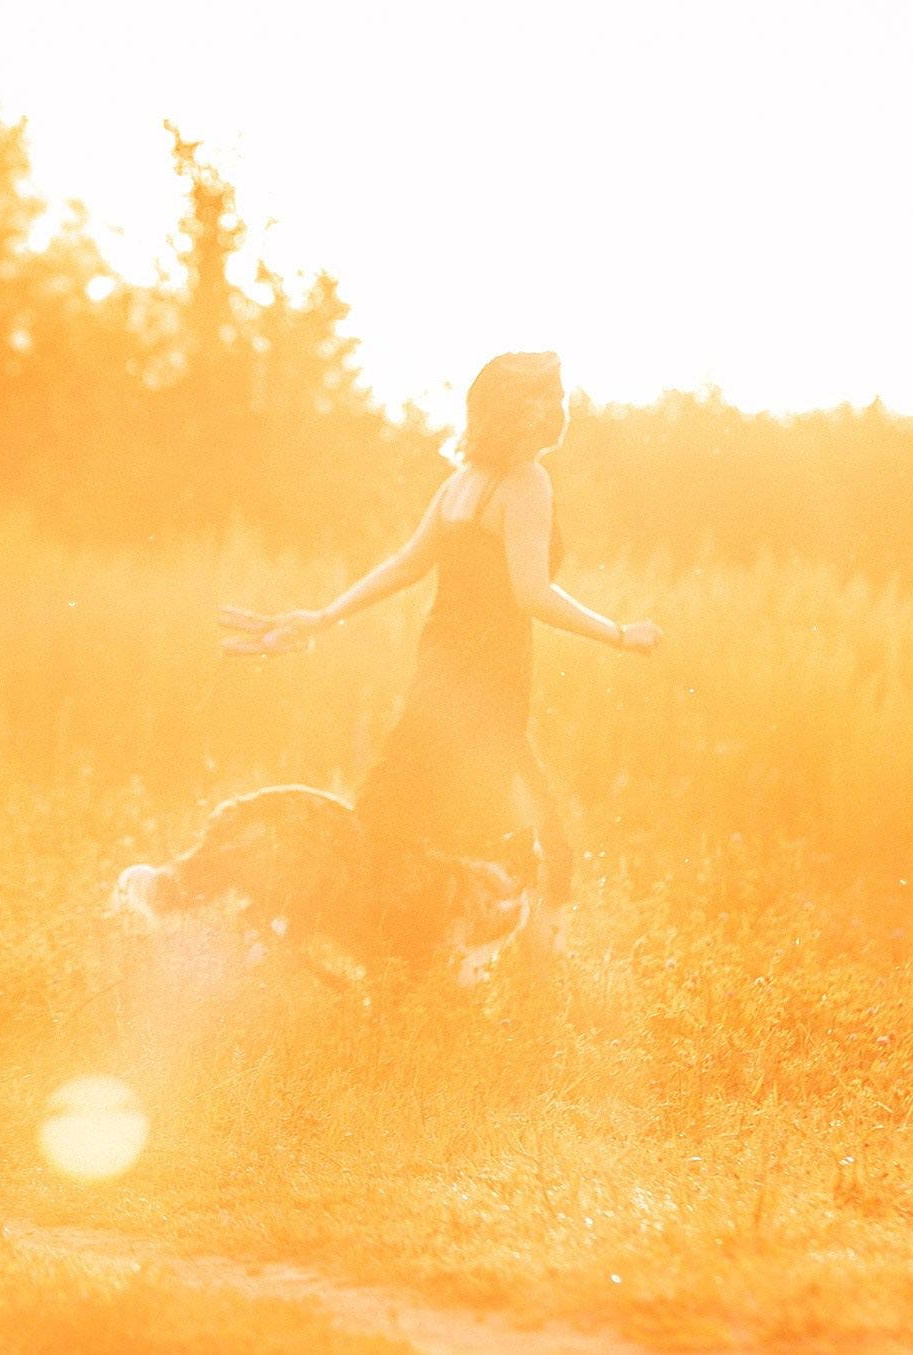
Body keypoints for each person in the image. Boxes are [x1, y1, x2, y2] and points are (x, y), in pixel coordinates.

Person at [219, 351, 662, 956]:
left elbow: (406, 564)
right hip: (488, 679)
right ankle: (520, 965)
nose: (560, 408)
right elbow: (531, 592)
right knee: (519, 836)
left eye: (558, 395)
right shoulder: (526, 483)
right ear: (522, 413)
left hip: (441, 672)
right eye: (549, 397)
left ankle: (312, 932)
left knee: (402, 816)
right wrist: (619, 634)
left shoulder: (460, 485)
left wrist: (323, 616)